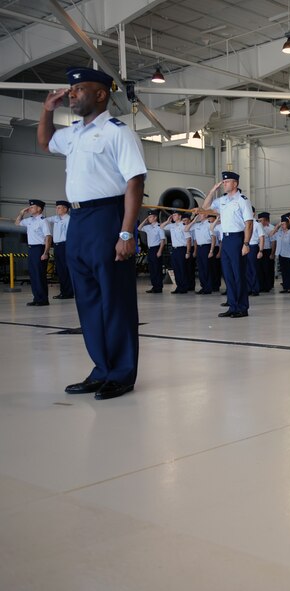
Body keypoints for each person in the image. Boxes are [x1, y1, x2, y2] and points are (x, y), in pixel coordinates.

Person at [39, 66, 147, 399]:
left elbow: (135, 182)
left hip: (107, 216)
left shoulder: (118, 132)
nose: (71, 94)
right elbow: (44, 143)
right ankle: (101, 369)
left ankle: (122, 373)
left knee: (116, 300)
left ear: (100, 94)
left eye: (79, 89)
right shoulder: (73, 134)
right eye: (70, 90)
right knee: (88, 301)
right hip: (79, 220)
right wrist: (47, 110)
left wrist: (126, 233)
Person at [200, 171, 253, 318]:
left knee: (238, 274)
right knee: (228, 275)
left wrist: (246, 243)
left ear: (235, 183)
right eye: (223, 182)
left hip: (238, 239)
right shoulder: (222, 200)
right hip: (226, 239)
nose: (224, 184)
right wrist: (212, 191)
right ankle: (233, 306)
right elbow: (205, 209)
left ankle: (242, 308)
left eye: (227, 182)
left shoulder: (243, 200)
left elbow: (248, 224)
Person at [15, 199, 51, 306]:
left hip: (39, 249)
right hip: (31, 249)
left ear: (39, 208)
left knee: (40, 275)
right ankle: (37, 298)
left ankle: (43, 300)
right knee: (33, 275)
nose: (30, 208)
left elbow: (48, 237)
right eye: (29, 207)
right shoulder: (30, 220)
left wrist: (45, 253)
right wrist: (21, 213)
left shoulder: (43, 221)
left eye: (32, 207)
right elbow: (17, 223)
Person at [45, 200, 74, 299]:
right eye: (56, 207)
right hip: (57, 246)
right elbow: (44, 220)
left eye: (59, 207)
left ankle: (68, 292)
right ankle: (64, 292)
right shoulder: (56, 218)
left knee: (66, 270)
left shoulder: (69, 219)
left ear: (66, 209)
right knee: (60, 270)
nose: (56, 209)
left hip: (65, 245)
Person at [185, 212, 214, 294]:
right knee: (201, 268)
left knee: (206, 268)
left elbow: (213, 238)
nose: (199, 216)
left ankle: (208, 288)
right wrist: (194, 220)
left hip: (206, 246)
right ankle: (203, 286)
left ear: (206, 215)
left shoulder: (209, 224)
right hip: (199, 248)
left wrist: (211, 251)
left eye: (200, 214)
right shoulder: (196, 225)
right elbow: (186, 229)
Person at [161, 212, 190, 293]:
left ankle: (184, 287)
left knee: (182, 268)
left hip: (182, 249)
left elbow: (188, 240)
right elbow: (161, 227)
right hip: (174, 249)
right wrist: (167, 221)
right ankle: (179, 286)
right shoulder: (172, 225)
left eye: (175, 215)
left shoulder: (184, 225)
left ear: (180, 216)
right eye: (173, 215)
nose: (173, 216)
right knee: (176, 269)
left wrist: (188, 252)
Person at [138, 210, 166, 293]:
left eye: (150, 217)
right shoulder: (148, 227)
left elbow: (162, 240)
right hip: (150, 249)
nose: (149, 218)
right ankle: (154, 286)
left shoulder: (159, 227)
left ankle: (159, 287)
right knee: (152, 269)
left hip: (156, 249)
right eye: (149, 217)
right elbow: (139, 228)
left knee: (157, 268)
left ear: (155, 217)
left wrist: (160, 251)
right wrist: (145, 220)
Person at [273, 215, 290, 293]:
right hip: (281, 254)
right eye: (282, 224)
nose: (283, 225)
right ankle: (285, 286)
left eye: (284, 224)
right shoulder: (279, 233)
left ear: (287, 224)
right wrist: (277, 226)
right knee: (284, 272)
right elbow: (271, 234)